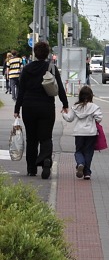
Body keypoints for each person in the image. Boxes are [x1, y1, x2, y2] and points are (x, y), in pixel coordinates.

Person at [14, 41, 69, 178]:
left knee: (31, 139)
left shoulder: (27, 69)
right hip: (46, 107)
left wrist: (17, 108)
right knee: (46, 137)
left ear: (34, 53)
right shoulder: (51, 68)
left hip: (29, 107)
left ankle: (31, 169)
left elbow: (21, 91)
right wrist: (65, 103)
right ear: (47, 53)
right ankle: (46, 160)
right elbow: (60, 88)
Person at [62, 85, 103, 180]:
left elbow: (69, 118)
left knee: (79, 151)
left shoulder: (76, 107)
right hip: (91, 133)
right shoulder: (94, 107)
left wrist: (64, 113)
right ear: (91, 96)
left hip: (79, 132)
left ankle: (80, 163)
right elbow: (99, 118)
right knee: (88, 152)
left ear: (80, 96)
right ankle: (87, 173)